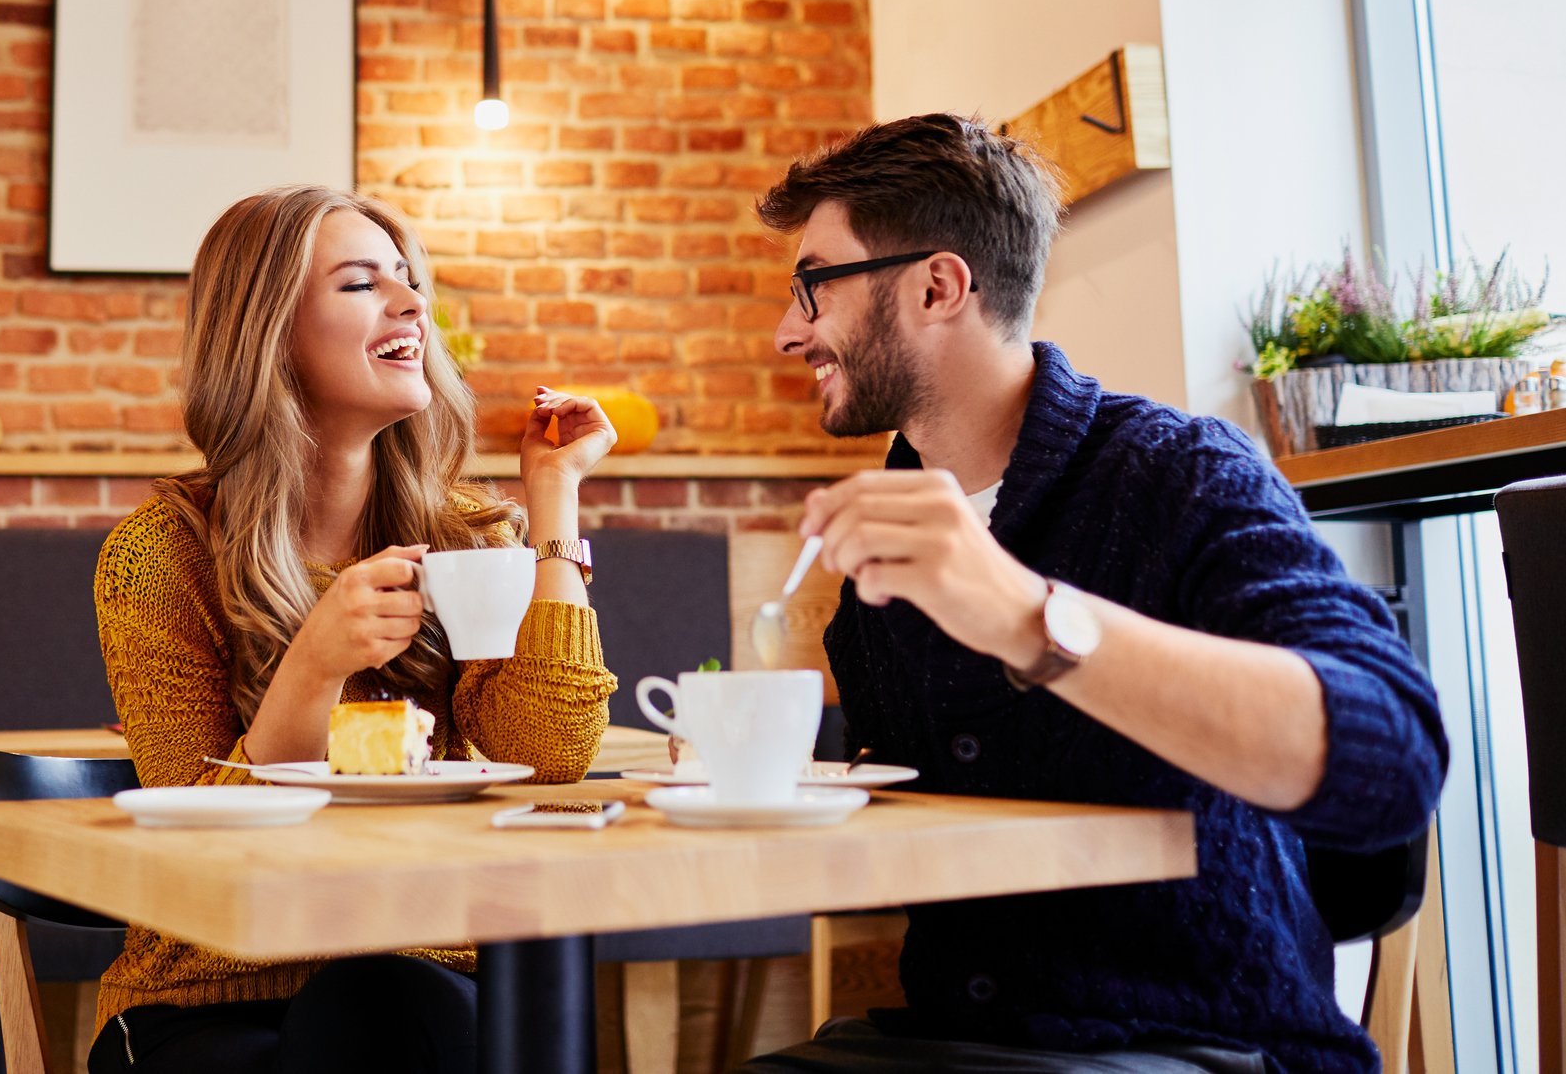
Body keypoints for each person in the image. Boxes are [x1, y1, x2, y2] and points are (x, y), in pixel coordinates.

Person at [741, 115, 1447, 1074]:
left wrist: (1031, 619)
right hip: (961, 1044)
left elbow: (1393, 758)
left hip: (1202, 1043)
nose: (788, 330)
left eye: (813, 285)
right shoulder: (886, 549)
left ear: (936, 286)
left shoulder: (1178, 474)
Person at [88, 185, 619, 1074]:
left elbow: (550, 751)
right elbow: (201, 861)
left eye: (408, 282)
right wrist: (315, 667)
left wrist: (553, 499)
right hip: (215, 996)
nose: (412, 304)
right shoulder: (160, 555)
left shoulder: (470, 536)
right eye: (359, 284)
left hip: (426, 969)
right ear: (267, 332)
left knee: (392, 999)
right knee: (384, 1011)